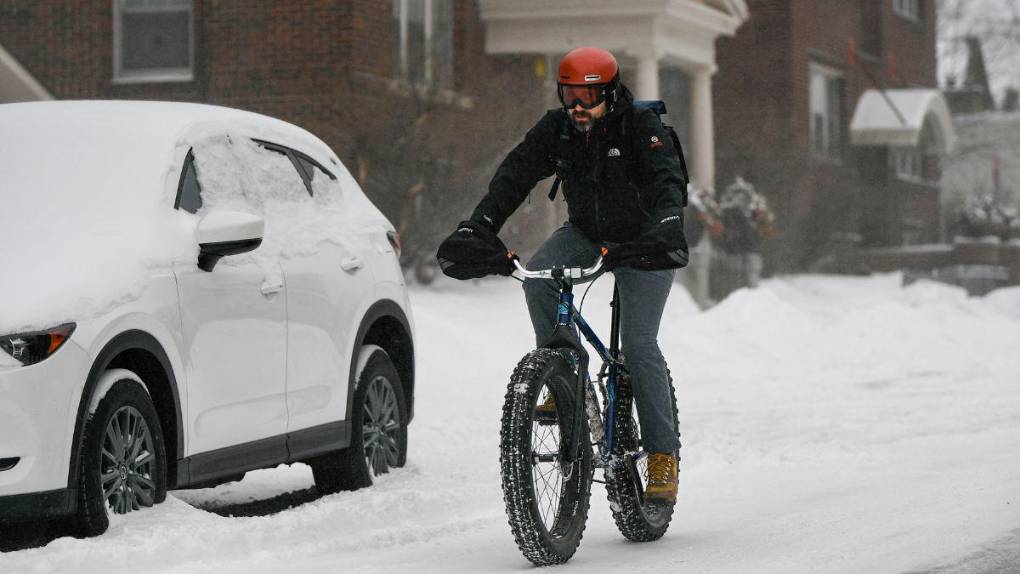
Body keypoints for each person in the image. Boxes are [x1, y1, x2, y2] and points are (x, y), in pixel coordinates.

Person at [437, 47, 689, 504]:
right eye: (569, 94)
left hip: (644, 242)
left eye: (588, 96)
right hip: (588, 234)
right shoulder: (558, 130)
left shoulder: (640, 126)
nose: (577, 106)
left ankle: (661, 456)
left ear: (609, 94)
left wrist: (667, 223)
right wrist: (480, 224)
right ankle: (566, 371)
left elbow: (667, 181)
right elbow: (513, 176)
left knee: (637, 344)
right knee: (537, 277)